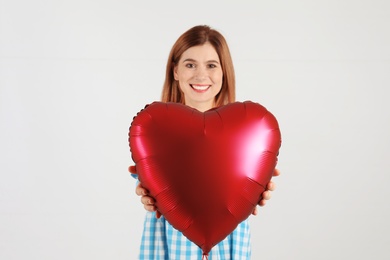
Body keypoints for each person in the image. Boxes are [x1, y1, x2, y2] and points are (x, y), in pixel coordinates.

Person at [129, 25, 280, 259]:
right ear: (176, 71)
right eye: (190, 64)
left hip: (228, 245)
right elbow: (149, 187)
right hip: (169, 245)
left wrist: (258, 190)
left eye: (211, 65)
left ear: (223, 72)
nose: (201, 75)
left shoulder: (248, 135)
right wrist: (146, 193)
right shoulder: (155, 129)